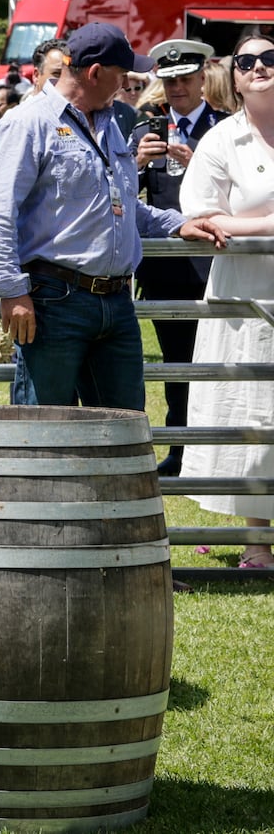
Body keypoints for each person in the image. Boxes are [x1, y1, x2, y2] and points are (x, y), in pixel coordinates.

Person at [0, 22, 225, 411]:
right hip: (53, 300)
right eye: (121, 75)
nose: (127, 83)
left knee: (124, 427)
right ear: (94, 73)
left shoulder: (110, 123)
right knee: (46, 429)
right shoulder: (27, 123)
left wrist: (176, 223)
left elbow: (121, 203)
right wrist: (12, 291)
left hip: (114, 301)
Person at [180, 34, 274, 569]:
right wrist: (267, 225)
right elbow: (199, 216)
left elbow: (224, 219)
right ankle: (258, 543)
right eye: (247, 61)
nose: (259, 66)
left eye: (269, 57)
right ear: (233, 77)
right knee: (257, 414)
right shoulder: (221, 141)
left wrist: (248, 224)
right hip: (248, 296)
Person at [131, 38, 229, 475]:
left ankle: (222, 450)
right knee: (175, 361)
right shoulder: (143, 129)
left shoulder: (226, 129)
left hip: (217, 260)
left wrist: (199, 165)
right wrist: (133, 164)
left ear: (203, 78)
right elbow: (119, 199)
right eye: (169, 82)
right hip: (166, 266)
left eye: (185, 80)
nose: (177, 90)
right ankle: (180, 446)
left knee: (224, 359)